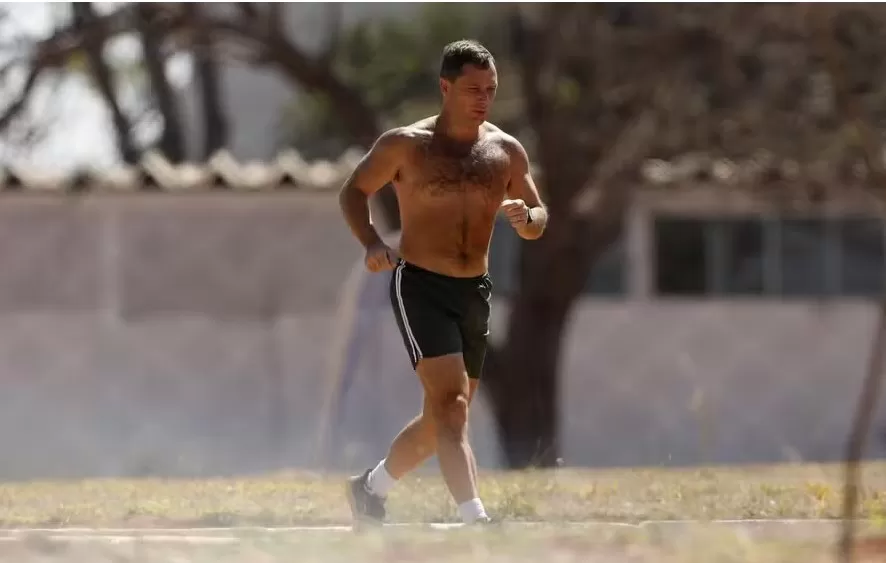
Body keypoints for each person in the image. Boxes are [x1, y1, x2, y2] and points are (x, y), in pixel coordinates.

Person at [337, 39, 548, 526]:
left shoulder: (505, 151)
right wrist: (371, 243)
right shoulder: (405, 145)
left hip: (473, 292)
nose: (483, 99)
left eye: (490, 89)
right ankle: (476, 521)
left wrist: (528, 217)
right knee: (452, 409)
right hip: (421, 286)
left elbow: (538, 216)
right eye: (473, 89)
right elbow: (354, 192)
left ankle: (370, 489)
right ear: (445, 87)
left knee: (442, 418)